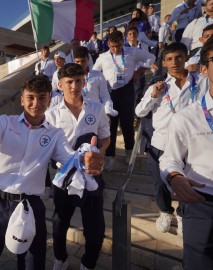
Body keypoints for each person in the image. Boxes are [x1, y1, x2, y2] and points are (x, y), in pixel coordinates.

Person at [0, 74, 104, 270]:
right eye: (30, 97)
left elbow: (70, 158)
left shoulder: (55, 134)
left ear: (49, 100)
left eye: (42, 98)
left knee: (33, 265)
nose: (36, 103)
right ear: (22, 99)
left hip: (30, 205)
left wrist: (86, 160)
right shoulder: (6, 122)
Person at [135, 42, 207, 236]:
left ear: (186, 58)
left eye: (179, 57)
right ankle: (165, 211)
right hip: (160, 144)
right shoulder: (158, 85)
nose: (175, 62)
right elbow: (139, 111)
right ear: (164, 63)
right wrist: (153, 96)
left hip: (190, 146)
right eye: (169, 59)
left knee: (187, 183)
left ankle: (183, 214)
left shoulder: (201, 82)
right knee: (159, 184)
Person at [46, 63, 110, 270]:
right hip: (64, 177)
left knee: (95, 228)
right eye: (69, 82)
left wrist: (96, 153)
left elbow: (106, 138)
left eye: (78, 81)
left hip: (91, 175)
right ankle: (60, 258)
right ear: (60, 84)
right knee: (59, 223)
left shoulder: (97, 108)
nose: (74, 86)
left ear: (84, 82)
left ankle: (88, 263)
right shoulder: (52, 114)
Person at [158, 37, 213, 269]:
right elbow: (170, 158)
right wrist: (174, 177)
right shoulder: (187, 118)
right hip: (203, 204)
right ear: (204, 69)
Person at [93, 30, 155, 169]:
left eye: (118, 46)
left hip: (127, 90)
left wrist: (139, 71)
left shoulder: (132, 52)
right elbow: (94, 73)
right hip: (110, 93)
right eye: (112, 46)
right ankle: (109, 155)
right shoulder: (103, 57)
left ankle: (129, 152)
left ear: (123, 42)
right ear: (108, 43)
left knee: (127, 124)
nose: (115, 49)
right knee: (110, 126)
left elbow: (151, 57)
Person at [73, 46, 117, 117]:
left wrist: (107, 113)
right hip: (78, 114)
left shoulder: (98, 75)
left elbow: (105, 96)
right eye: (77, 61)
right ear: (74, 61)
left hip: (96, 113)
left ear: (88, 59)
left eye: (83, 61)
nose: (80, 64)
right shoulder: (71, 79)